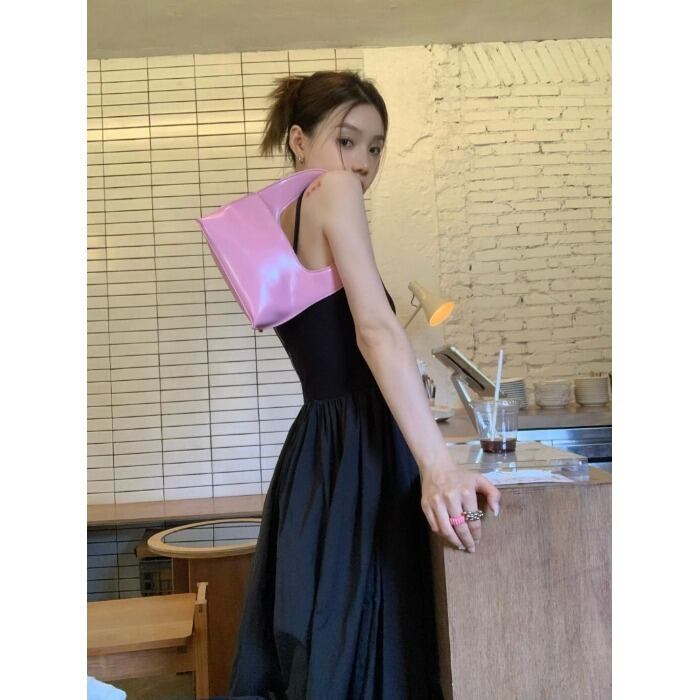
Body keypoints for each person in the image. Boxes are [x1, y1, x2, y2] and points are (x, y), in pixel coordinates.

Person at [225, 70, 502, 700]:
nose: (362, 163)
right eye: (346, 140)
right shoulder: (334, 192)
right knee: (379, 643)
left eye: (375, 148)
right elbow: (375, 331)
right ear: (299, 139)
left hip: (319, 450)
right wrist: (439, 467)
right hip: (361, 447)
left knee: (333, 638)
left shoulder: (281, 218)